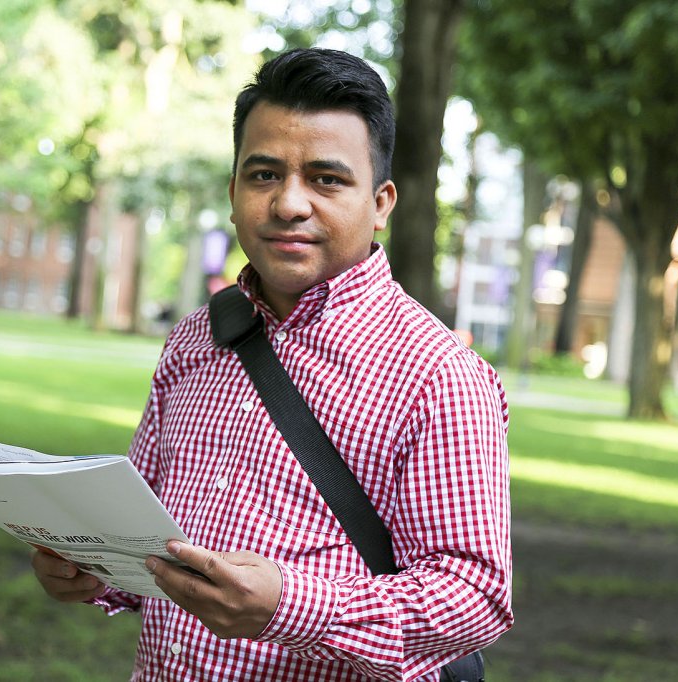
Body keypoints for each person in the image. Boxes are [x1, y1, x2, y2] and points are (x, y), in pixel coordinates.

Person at [32, 47, 513, 681]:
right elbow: (147, 534)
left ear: (381, 203)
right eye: (263, 175)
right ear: (233, 193)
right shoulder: (194, 342)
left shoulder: (438, 374)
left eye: (327, 178)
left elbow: (474, 598)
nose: (289, 204)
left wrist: (292, 606)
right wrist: (93, 570)